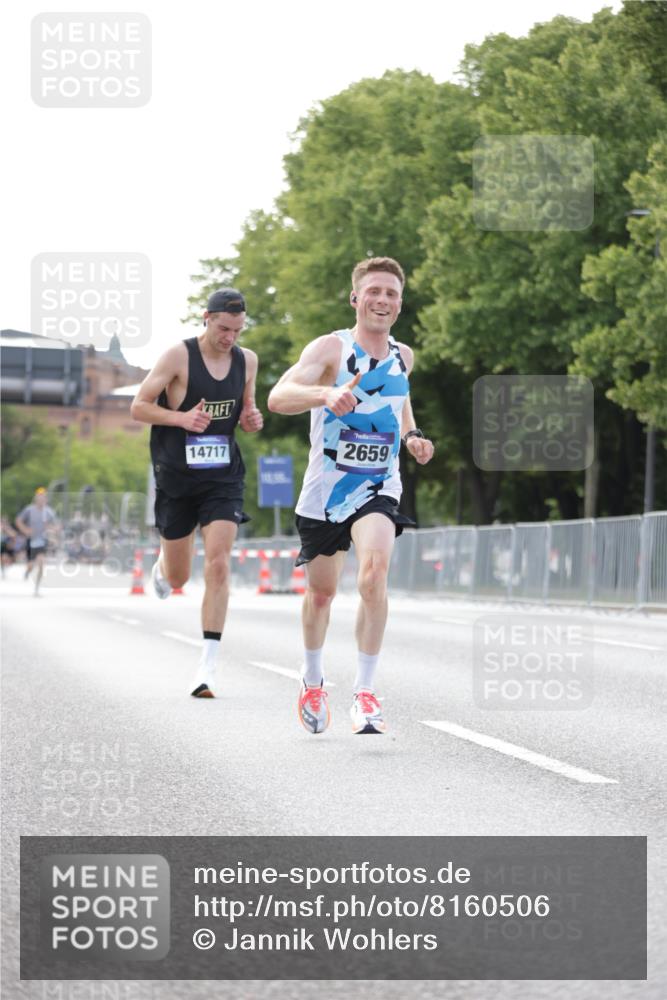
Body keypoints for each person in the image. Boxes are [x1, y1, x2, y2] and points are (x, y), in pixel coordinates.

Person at [268, 257, 434, 735]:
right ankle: (312, 680)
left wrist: (412, 435)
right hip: (326, 491)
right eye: (374, 291)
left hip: (378, 484)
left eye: (391, 294)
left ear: (400, 304)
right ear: (355, 298)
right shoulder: (331, 349)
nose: (382, 300)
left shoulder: (403, 355)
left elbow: (399, 398)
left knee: (374, 574)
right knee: (321, 594)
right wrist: (325, 395)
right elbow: (278, 397)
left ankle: (365, 691)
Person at [131, 288, 263, 697]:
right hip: (177, 478)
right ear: (206, 318)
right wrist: (181, 419)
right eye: (223, 328)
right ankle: (163, 568)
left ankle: (207, 666)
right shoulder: (178, 356)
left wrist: (251, 418)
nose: (230, 338)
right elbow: (139, 406)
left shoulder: (247, 360)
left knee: (219, 563)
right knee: (179, 576)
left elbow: (246, 411)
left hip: (222, 477)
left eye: (237, 330)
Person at [15, 487, 59, 596]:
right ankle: (28, 571)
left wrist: (52, 529)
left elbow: (57, 525)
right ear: (35, 499)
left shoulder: (49, 511)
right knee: (31, 565)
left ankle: (37, 588)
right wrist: (25, 530)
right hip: (31, 540)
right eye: (39, 498)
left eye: (43, 498)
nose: (41, 500)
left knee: (41, 564)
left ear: (46, 499)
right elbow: (18, 520)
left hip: (43, 540)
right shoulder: (29, 509)